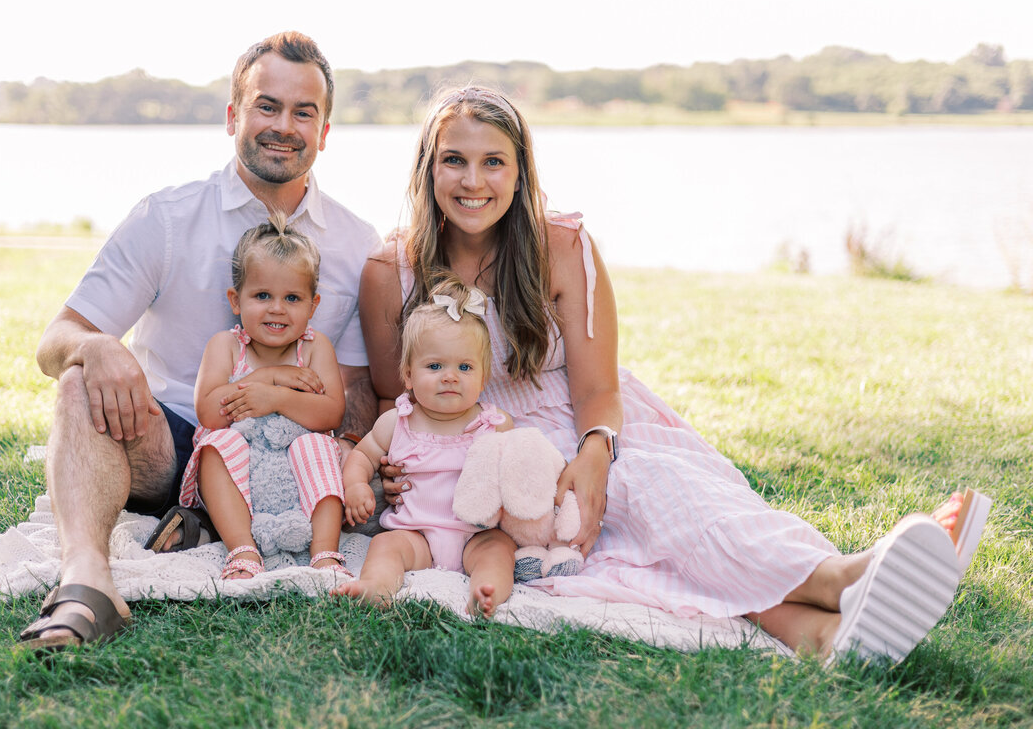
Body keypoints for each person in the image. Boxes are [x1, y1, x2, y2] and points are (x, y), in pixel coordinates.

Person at [359, 84, 966, 662]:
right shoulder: (392, 269)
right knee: (626, 558)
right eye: (453, 161)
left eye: (494, 161)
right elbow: (396, 396)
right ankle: (828, 630)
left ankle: (839, 584)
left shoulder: (562, 246)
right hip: (483, 449)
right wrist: (390, 467)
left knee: (659, 502)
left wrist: (596, 453)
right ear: (426, 169)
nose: (472, 181)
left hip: (582, 422)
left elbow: (598, 388)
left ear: (520, 173)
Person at [21, 32, 380, 650]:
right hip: (175, 438)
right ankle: (87, 580)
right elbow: (57, 339)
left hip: (292, 458)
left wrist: (351, 458)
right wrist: (95, 346)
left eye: (304, 112)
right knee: (81, 380)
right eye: (267, 105)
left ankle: (213, 524)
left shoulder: (356, 243)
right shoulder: (166, 219)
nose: (284, 125)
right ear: (233, 115)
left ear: (325, 131)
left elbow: (356, 390)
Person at [171, 216, 351, 580]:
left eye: (292, 298)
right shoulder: (226, 346)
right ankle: (243, 550)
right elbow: (209, 411)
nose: (277, 308)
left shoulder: (315, 348)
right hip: (240, 480)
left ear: (313, 306)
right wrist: (267, 378)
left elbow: (332, 413)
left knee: (317, 447)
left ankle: (324, 553)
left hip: (297, 479)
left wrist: (276, 399)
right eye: (263, 295)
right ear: (236, 300)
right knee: (216, 446)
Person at [335, 277, 517, 618]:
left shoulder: (495, 425)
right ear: (408, 375)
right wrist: (357, 484)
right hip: (414, 532)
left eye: (465, 367)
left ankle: (486, 591)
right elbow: (362, 454)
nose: (450, 376)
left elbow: (520, 469)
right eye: (435, 366)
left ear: (483, 375)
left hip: (477, 534)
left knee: (499, 550)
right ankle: (376, 586)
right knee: (385, 545)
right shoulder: (397, 423)